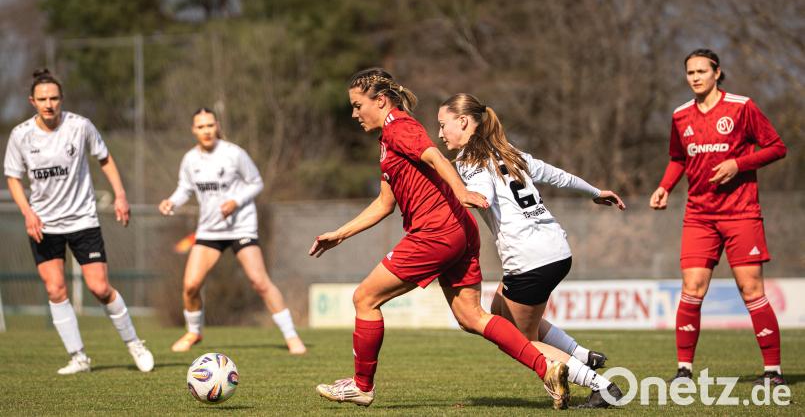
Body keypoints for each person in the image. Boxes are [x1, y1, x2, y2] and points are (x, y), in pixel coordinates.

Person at [310, 68, 574, 410]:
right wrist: (340, 235)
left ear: (380, 100)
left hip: (435, 232)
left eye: (358, 105)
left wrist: (461, 189)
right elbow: (384, 204)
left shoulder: (399, 127)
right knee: (471, 316)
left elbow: (434, 156)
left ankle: (361, 386)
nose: (354, 113)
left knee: (365, 299)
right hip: (459, 231)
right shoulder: (388, 140)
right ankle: (547, 368)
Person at [437, 93, 626, 407]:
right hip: (555, 249)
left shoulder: (469, 160)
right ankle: (581, 355)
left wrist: (461, 196)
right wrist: (594, 191)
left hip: (530, 259)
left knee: (520, 340)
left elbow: (480, 194)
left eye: (443, 125)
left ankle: (602, 387)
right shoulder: (507, 151)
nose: (440, 133)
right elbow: (554, 174)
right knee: (498, 314)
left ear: (464, 122)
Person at [650, 49, 787, 385]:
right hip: (699, 215)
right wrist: (665, 186)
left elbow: (776, 147)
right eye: (690, 72)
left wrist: (739, 164)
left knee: (751, 289)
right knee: (692, 288)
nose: (695, 77)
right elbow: (678, 158)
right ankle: (684, 371)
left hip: (741, 214)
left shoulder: (742, 107)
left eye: (701, 71)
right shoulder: (681, 115)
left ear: (717, 73)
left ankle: (773, 372)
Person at [3, 69, 154, 374]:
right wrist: (27, 212)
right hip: (44, 224)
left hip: (83, 219)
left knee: (99, 287)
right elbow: (13, 178)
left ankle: (135, 343)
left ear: (62, 99)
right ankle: (79, 357)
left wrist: (121, 195)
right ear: (32, 101)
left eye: (54, 98)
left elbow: (105, 159)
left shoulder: (80, 126)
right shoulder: (20, 135)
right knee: (56, 289)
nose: (49, 104)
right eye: (43, 99)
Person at [159, 108, 306, 355]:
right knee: (191, 285)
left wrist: (236, 202)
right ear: (193, 130)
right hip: (209, 230)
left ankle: (292, 337)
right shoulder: (190, 160)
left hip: (241, 226)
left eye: (209, 125)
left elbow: (256, 182)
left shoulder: (234, 153)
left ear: (217, 126)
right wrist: (172, 201)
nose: (206, 131)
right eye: (200, 127)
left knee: (259, 282)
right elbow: (184, 189)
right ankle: (194, 332)